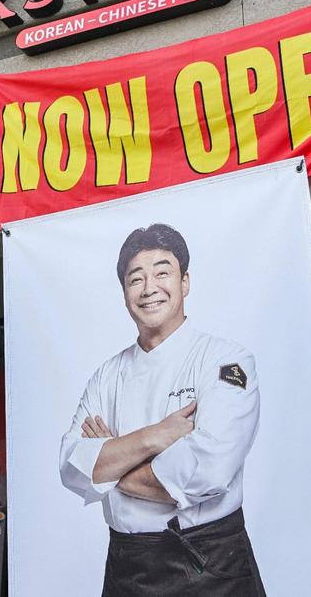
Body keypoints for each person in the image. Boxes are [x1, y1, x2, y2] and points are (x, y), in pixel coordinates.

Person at [59, 223, 264, 596]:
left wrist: (111, 463)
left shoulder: (225, 361)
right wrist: (155, 436)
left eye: (162, 272)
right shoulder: (107, 376)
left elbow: (209, 470)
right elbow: (73, 465)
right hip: (127, 566)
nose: (149, 288)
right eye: (136, 278)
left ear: (185, 282)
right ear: (124, 293)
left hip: (210, 562)